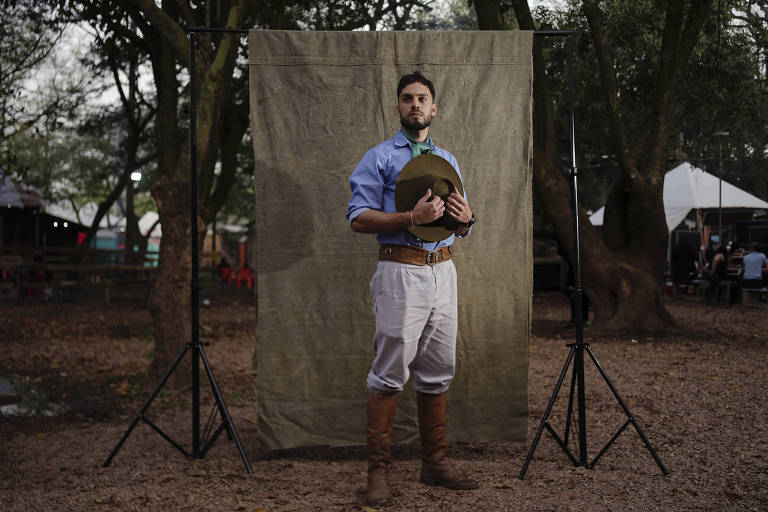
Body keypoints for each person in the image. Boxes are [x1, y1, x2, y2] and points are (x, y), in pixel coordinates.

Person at [346, 71, 478, 506]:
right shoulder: (380, 158)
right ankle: (376, 474)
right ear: (399, 107)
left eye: (422, 99)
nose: (415, 105)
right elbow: (358, 218)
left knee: (438, 370)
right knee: (389, 373)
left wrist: (466, 220)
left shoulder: (449, 161)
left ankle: (435, 463)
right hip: (400, 271)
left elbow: (457, 225)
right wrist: (409, 219)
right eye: (407, 99)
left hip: (444, 270)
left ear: (434, 108)